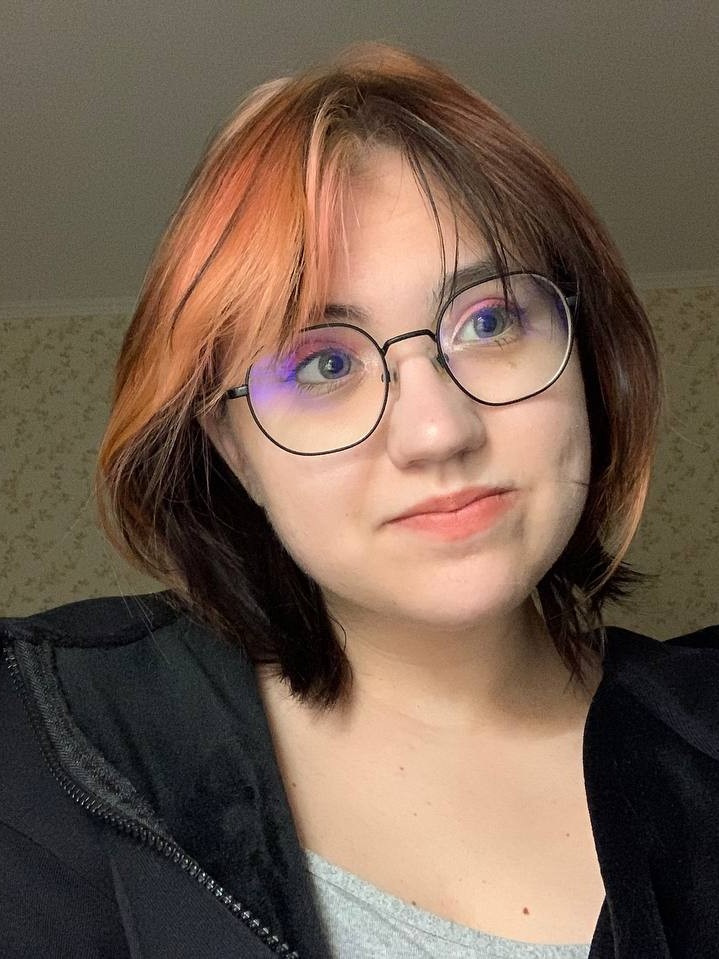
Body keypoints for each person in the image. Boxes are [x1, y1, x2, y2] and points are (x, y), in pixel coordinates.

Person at [0, 43, 717, 959]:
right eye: (322, 363)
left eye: (489, 319)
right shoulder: (41, 745)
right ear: (233, 447)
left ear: (583, 353)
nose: (437, 430)